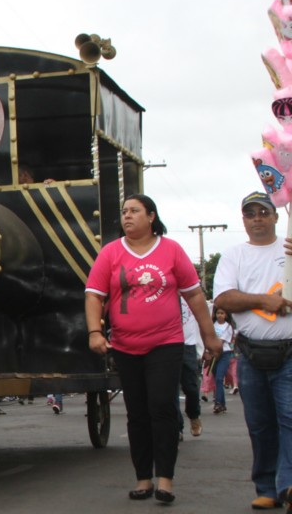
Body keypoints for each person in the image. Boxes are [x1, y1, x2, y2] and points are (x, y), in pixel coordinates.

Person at [85, 194, 220, 504]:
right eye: (124, 212)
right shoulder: (110, 253)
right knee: (138, 413)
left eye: (134, 211)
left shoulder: (171, 250)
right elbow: (94, 295)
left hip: (166, 343)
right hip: (125, 345)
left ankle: (165, 480)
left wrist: (209, 336)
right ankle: (143, 478)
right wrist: (95, 331)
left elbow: (195, 297)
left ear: (151, 216)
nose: (127, 216)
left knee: (162, 407)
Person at [212, 191, 292, 510]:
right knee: (259, 424)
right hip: (250, 355)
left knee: (290, 418)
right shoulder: (234, 255)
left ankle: (287, 485)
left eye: (263, 212)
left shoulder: (288, 250)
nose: (257, 218)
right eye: (250, 213)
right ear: (243, 220)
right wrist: (263, 300)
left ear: (276, 216)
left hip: (288, 354)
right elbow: (224, 299)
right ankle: (266, 487)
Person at [177, 297, 203, 439]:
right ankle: (177, 427)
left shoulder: (191, 295)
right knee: (171, 391)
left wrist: (204, 347)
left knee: (191, 387)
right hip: (169, 344)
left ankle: (194, 415)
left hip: (188, 345)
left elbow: (202, 322)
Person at [211, 307, 235, 414]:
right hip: (213, 355)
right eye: (218, 313)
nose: (220, 315)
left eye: (222, 313)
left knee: (219, 378)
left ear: (226, 315)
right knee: (216, 379)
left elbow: (221, 341)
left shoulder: (228, 327)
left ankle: (218, 403)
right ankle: (222, 404)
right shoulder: (212, 325)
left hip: (224, 354)